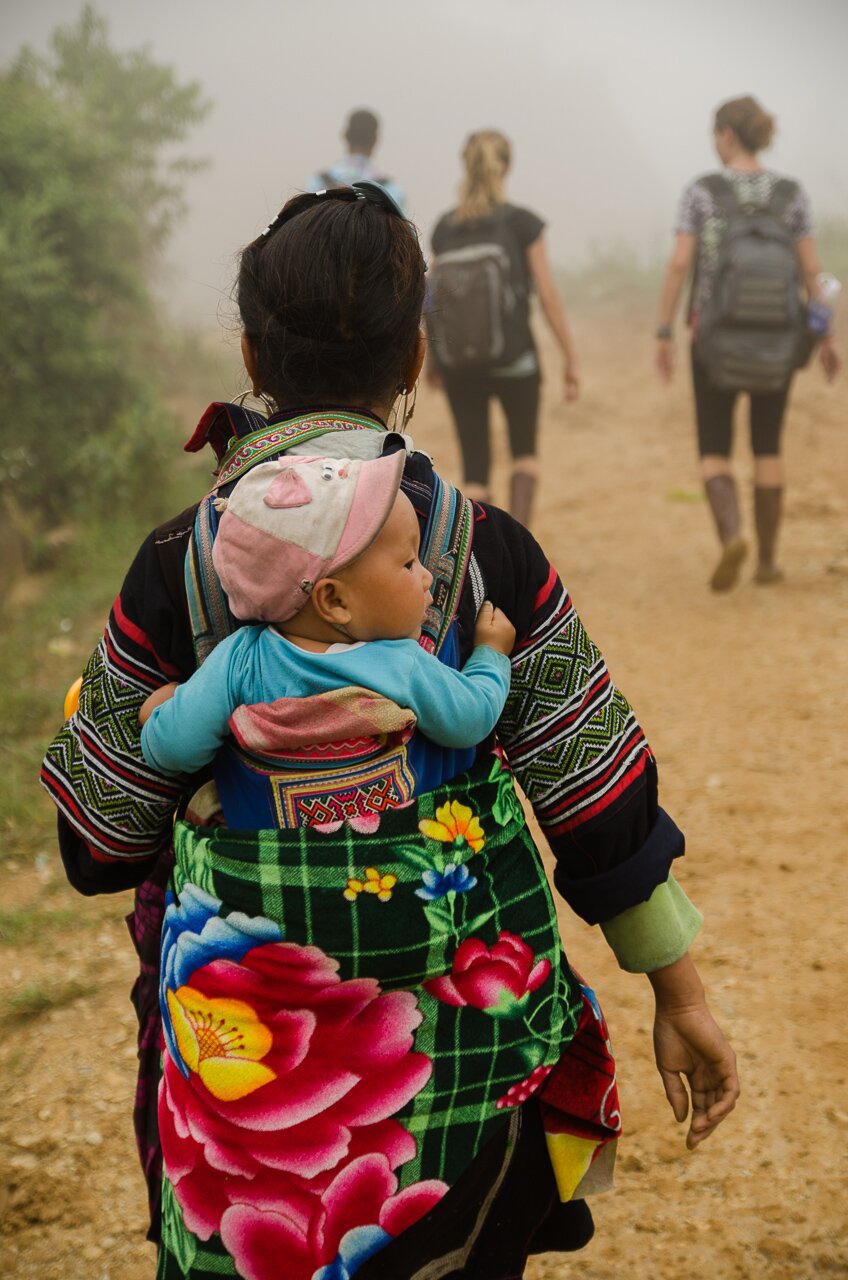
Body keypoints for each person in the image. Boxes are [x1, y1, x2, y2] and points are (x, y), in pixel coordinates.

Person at [42, 183, 739, 1280]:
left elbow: (96, 844)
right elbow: (591, 790)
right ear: (414, 356)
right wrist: (678, 989)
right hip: (460, 1082)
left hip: (253, 1094)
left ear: (248, 352)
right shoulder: (476, 548)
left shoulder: (178, 561)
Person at [138, 452, 516, 808]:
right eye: (408, 563)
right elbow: (471, 719)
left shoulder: (238, 661)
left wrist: (161, 709)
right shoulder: (400, 663)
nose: (427, 576)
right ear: (334, 601)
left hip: (276, 866)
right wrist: (491, 656)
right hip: (383, 866)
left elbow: (174, 750)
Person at [656, 94, 841, 591]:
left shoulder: (702, 191)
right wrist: (827, 338)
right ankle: (768, 562)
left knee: (715, 445)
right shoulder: (792, 194)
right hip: (779, 343)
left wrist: (665, 330)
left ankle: (732, 535)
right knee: (768, 443)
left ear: (727, 135)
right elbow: (812, 273)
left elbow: (679, 264)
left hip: (713, 341)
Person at [427, 129, 580, 528]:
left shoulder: (444, 228)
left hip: (460, 363)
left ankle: (485, 562)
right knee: (524, 454)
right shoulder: (522, 223)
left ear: (466, 165)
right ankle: (521, 547)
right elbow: (546, 295)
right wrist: (570, 356)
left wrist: (434, 360)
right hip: (516, 358)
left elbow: (433, 299)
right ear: (508, 166)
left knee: (475, 468)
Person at [305, 107, 407, 214]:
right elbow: (404, 229)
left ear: (345, 135)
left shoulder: (318, 183)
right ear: (375, 139)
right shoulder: (391, 190)